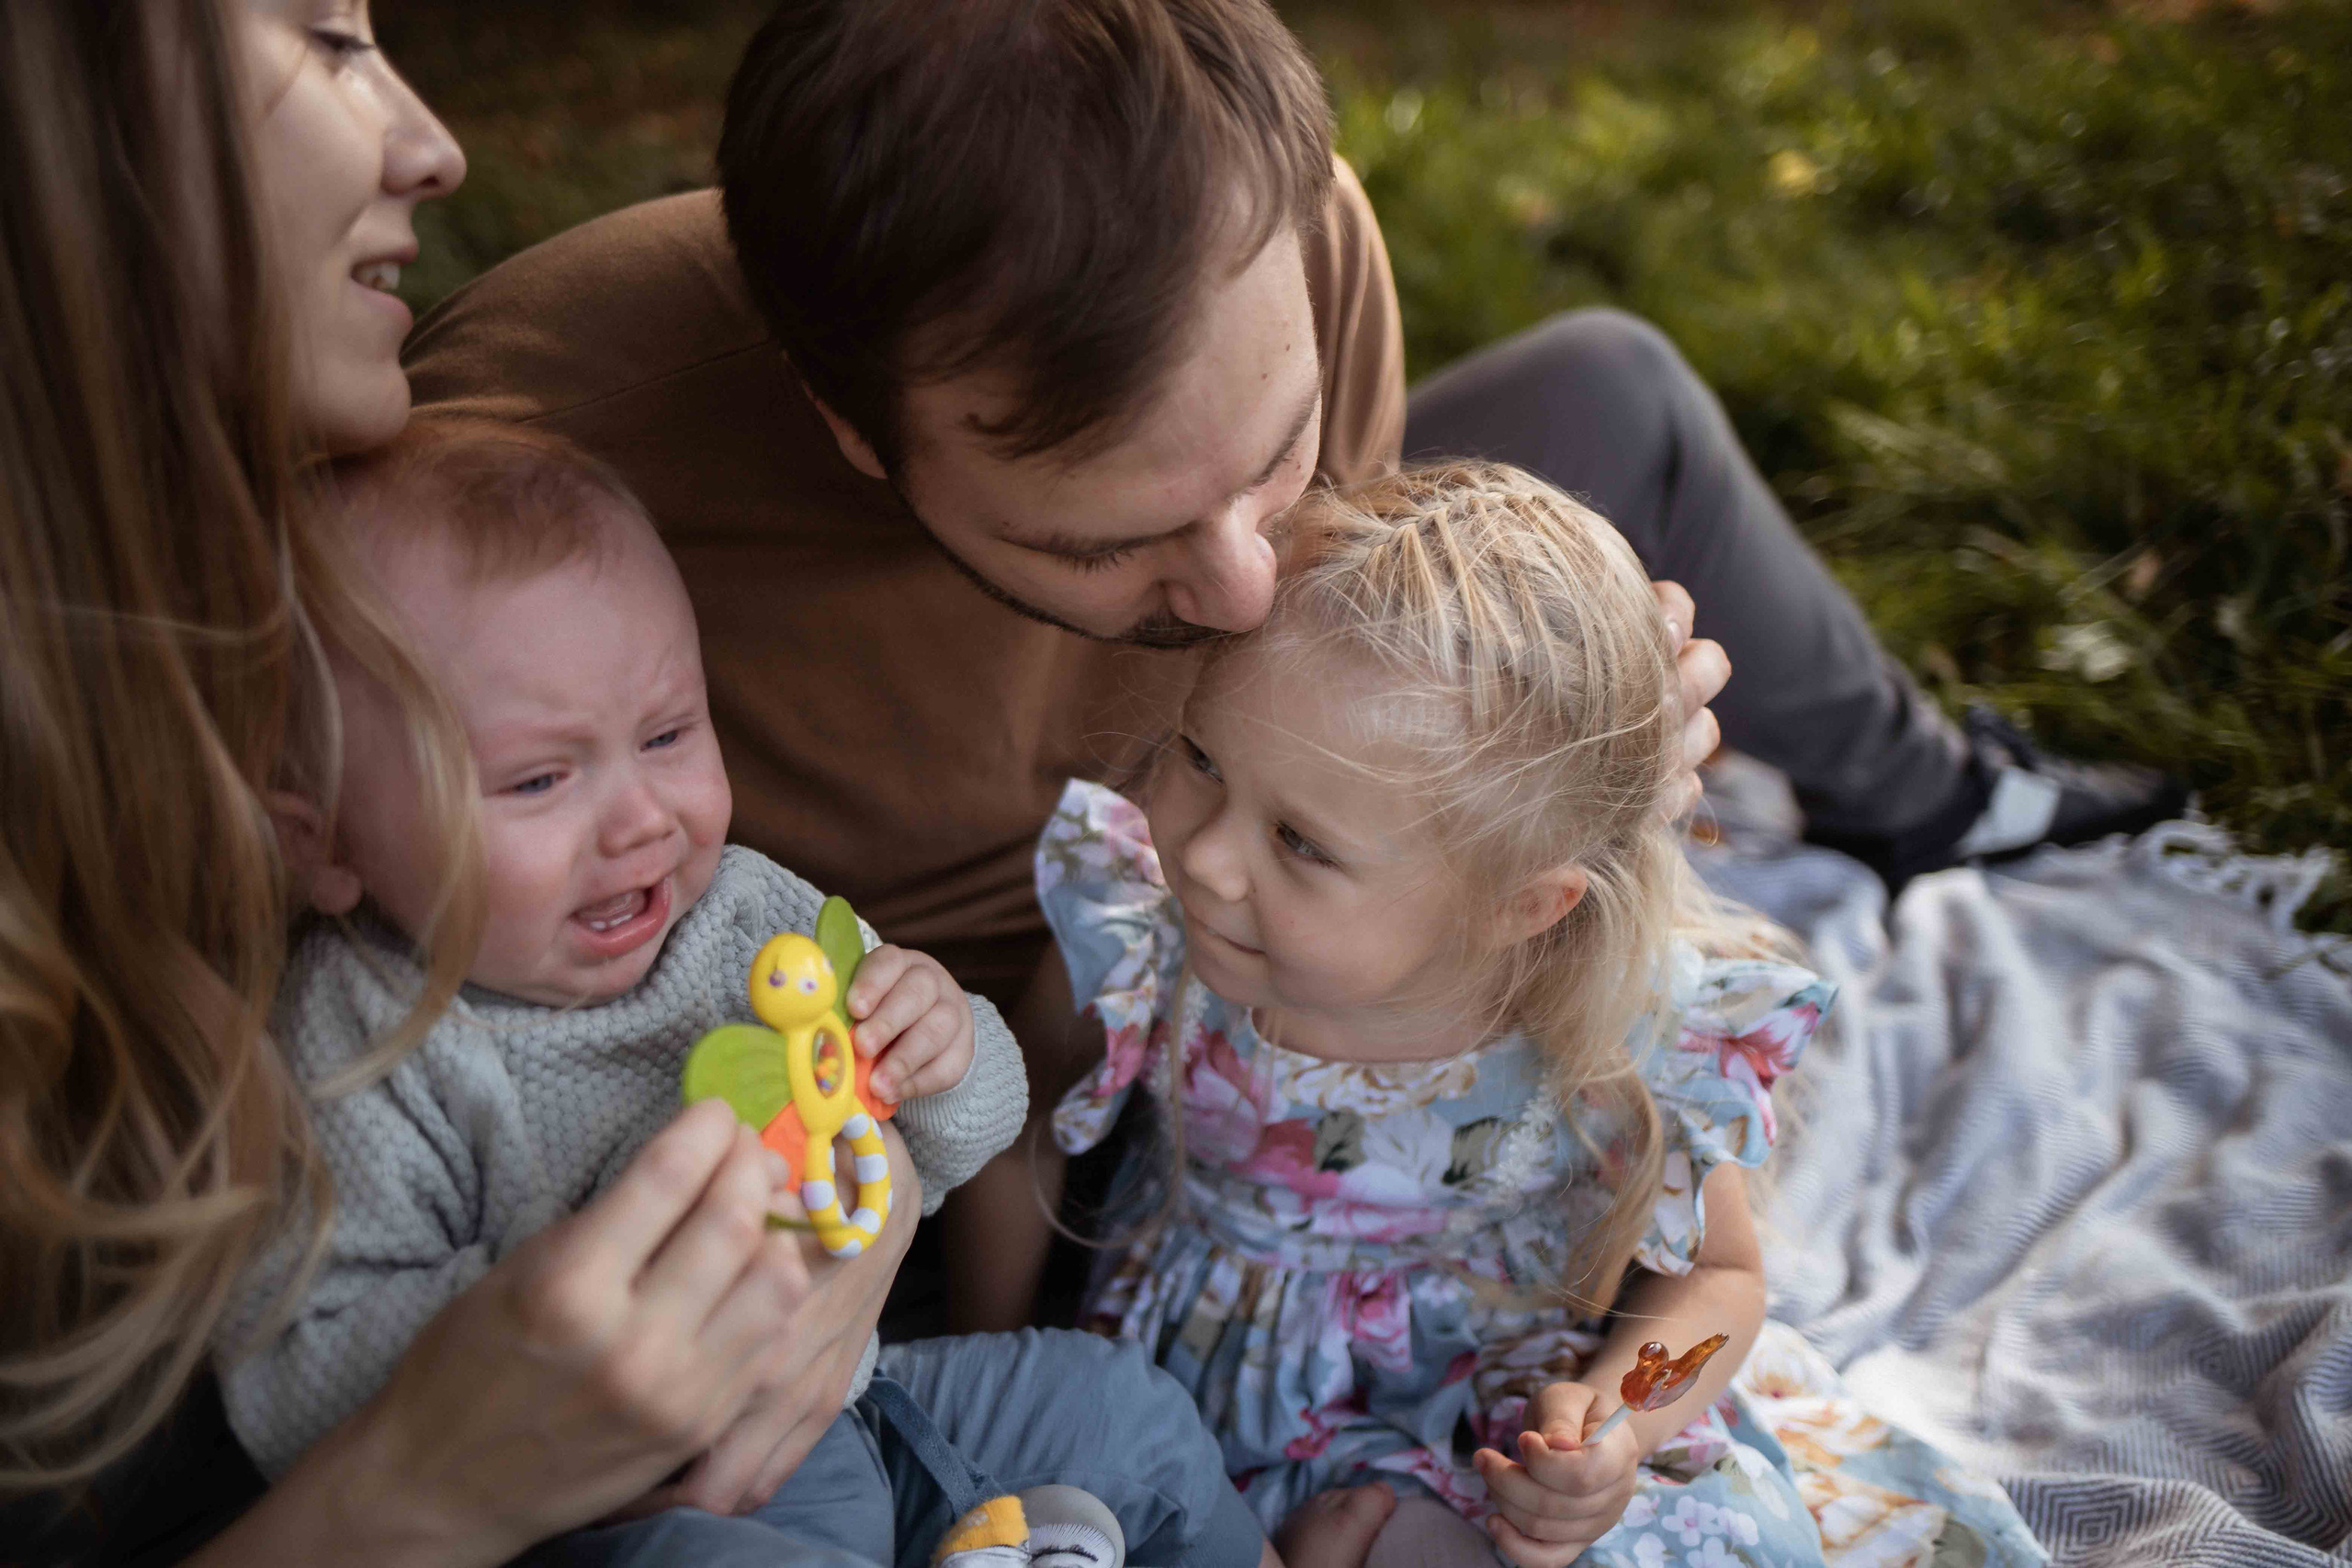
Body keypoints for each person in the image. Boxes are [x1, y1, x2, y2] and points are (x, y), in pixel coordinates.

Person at [401, 0, 2180, 1333]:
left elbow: (1324, 643)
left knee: (1611, 393)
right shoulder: (530, 463)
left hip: (1248, 851)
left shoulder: (1300, 222)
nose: (1245, 583)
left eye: (1275, 457)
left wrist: (1530, 712)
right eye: (1099, 541)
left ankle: (1939, 792)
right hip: (991, 1034)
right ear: (847, 431)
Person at [1, 6, 920, 1563]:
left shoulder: (232, 662)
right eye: (329, 38)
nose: (437, 146)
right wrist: (419, 1482)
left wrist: (867, 1192)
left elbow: (883, 1095)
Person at [215, 416, 1266, 1568]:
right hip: (636, 1506)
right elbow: (294, 1389)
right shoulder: (360, 1040)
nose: (640, 819)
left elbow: (975, 1128)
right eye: (537, 777)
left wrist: (942, 1045)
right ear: (325, 844)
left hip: (869, 1408)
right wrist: (597, 1254)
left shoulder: (745, 911)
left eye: (668, 733)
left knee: (1119, 1413)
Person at [1020, 462, 2051, 1568]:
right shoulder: (1143, 936)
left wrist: (1615, 1416)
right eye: (1202, 759)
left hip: (1493, 1413)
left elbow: (1713, 1282)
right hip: (1214, 1409)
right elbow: (1016, 1131)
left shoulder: (1606, 1019)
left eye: (1301, 842)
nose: (1209, 855)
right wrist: (1002, 1362)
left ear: (1519, 905)